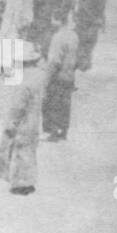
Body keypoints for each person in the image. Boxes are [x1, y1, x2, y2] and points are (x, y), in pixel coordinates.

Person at [0, 42, 43, 194]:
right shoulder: (38, 75)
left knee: (20, 148)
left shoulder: (23, 81)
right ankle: (28, 180)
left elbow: (17, 107)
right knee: (30, 149)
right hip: (34, 118)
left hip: (23, 119)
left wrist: (11, 123)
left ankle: (21, 183)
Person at [41, 9, 79, 141]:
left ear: (57, 21)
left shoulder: (57, 37)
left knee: (52, 103)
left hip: (57, 76)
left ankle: (52, 132)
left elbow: (54, 61)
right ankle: (64, 131)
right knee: (65, 104)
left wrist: (46, 79)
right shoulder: (74, 35)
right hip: (69, 75)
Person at [73, 0, 106, 71]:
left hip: (88, 22)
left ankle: (84, 63)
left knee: (85, 43)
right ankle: (83, 62)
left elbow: (94, 10)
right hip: (86, 22)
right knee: (85, 43)